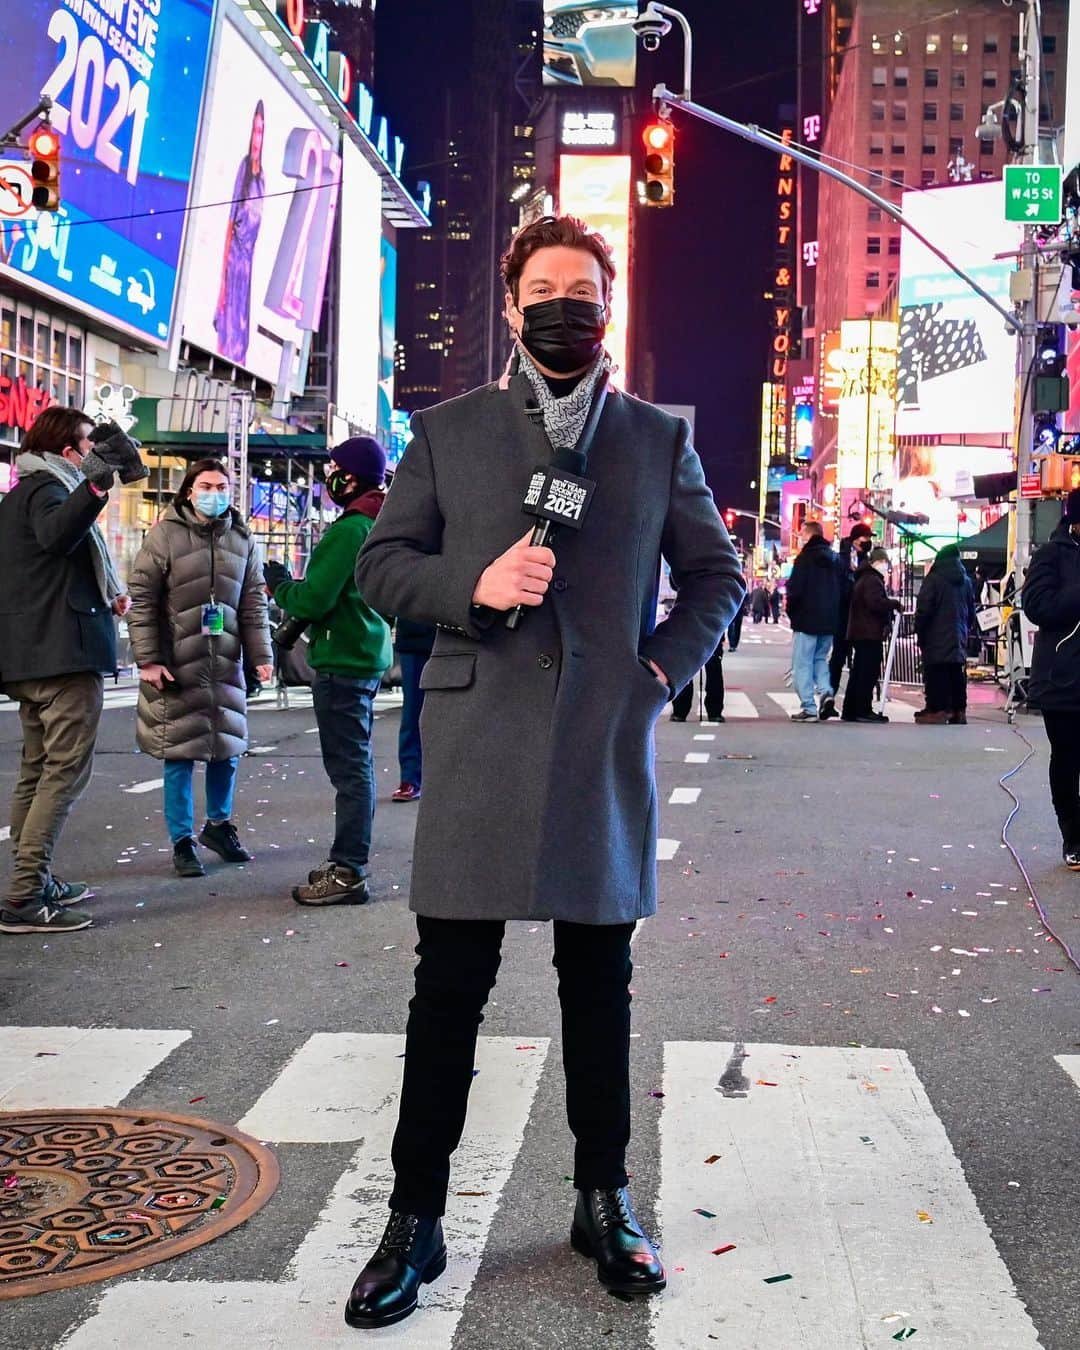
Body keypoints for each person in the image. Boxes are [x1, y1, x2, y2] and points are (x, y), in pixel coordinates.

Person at [348, 214, 744, 1329]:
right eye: (545, 289)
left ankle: (603, 1198)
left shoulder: (655, 439)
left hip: (596, 744)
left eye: (585, 289)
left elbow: (716, 575)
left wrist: (657, 672)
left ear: (607, 308)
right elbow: (383, 565)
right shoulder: (449, 429)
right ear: (512, 305)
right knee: (448, 994)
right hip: (477, 744)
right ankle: (413, 1217)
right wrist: (476, 584)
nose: (564, 306)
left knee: (597, 989)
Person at [0, 409, 141, 935]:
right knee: (61, 773)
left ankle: (32, 881)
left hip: (34, 655)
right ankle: (24, 895)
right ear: (69, 452)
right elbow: (59, 536)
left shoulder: (24, 492)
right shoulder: (46, 490)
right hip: (61, 656)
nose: (93, 456)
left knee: (38, 771)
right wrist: (98, 485)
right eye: (88, 447)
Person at [127, 459, 272, 877]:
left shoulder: (242, 538)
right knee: (179, 755)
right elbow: (142, 599)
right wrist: (149, 659)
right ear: (189, 490)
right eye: (206, 485)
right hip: (177, 663)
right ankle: (182, 841)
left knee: (226, 750)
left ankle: (219, 826)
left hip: (225, 663)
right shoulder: (164, 535)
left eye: (222, 485)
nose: (215, 492)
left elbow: (253, 603)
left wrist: (261, 657)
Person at [265, 437, 393, 904]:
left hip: (342, 661)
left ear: (354, 475)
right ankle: (348, 864)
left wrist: (281, 588)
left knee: (350, 772)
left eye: (336, 469)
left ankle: (348, 870)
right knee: (354, 768)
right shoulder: (378, 522)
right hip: (362, 657)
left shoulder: (350, 530)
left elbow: (317, 598)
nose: (329, 477)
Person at [1020, 489, 1080, 867]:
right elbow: (1037, 607)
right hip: (1064, 677)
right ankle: (1073, 834)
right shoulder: (1052, 555)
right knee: (1068, 758)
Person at [214, 101, 266, 365]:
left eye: (261, 131)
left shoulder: (262, 179)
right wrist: (223, 284)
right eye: (255, 130)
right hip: (233, 267)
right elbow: (228, 227)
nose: (257, 137)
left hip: (246, 276)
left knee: (241, 344)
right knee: (227, 337)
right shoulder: (243, 171)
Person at [913, 542, 976, 725]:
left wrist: (920, 630)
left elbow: (924, 609)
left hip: (935, 635)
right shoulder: (965, 581)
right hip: (958, 634)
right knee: (956, 671)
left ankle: (938, 709)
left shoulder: (933, 579)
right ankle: (958, 710)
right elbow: (971, 611)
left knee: (935, 671)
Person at [785, 520, 840, 722]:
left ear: (808, 536)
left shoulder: (804, 560)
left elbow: (795, 591)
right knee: (820, 659)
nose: (799, 539)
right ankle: (826, 692)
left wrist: (793, 613)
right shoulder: (834, 559)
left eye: (801, 535)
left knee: (802, 663)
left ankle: (808, 707)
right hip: (829, 620)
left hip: (806, 619)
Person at [842, 547, 901, 723]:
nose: (884, 566)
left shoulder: (864, 578)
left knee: (859, 672)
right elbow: (875, 603)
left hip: (861, 632)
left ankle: (851, 709)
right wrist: (893, 604)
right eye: (883, 562)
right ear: (876, 562)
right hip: (868, 633)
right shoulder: (872, 580)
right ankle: (862, 709)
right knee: (867, 672)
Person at [392, 616, 436, 802]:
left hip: (456, 635)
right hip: (415, 634)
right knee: (413, 712)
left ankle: (451, 777)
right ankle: (410, 778)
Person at [830, 522, 873, 696]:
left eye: (870, 538)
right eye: (865, 537)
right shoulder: (842, 558)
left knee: (860, 659)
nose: (868, 541)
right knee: (839, 656)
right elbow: (842, 585)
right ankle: (829, 696)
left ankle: (854, 700)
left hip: (859, 616)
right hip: (843, 614)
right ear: (855, 539)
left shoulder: (865, 558)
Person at [671, 637, 725, 722]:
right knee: (713, 669)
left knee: (685, 668)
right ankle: (714, 712)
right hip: (713, 631)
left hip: (688, 632)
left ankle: (680, 710)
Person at [726, 583, 747, 651]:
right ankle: (733, 645)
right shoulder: (742, 589)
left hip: (733, 611)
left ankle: (733, 645)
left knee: (734, 627)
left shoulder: (731, 589)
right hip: (735, 611)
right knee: (735, 627)